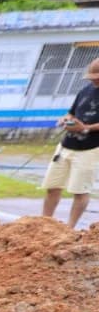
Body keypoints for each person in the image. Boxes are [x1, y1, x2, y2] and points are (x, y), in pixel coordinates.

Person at [41, 57, 99, 228]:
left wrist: (86, 128)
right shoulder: (86, 90)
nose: (94, 80)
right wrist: (65, 119)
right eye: (92, 77)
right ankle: (44, 223)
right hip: (67, 145)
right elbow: (72, 112)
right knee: (52, 186)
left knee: (80, 190)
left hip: (90, 148)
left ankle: (69, 227)